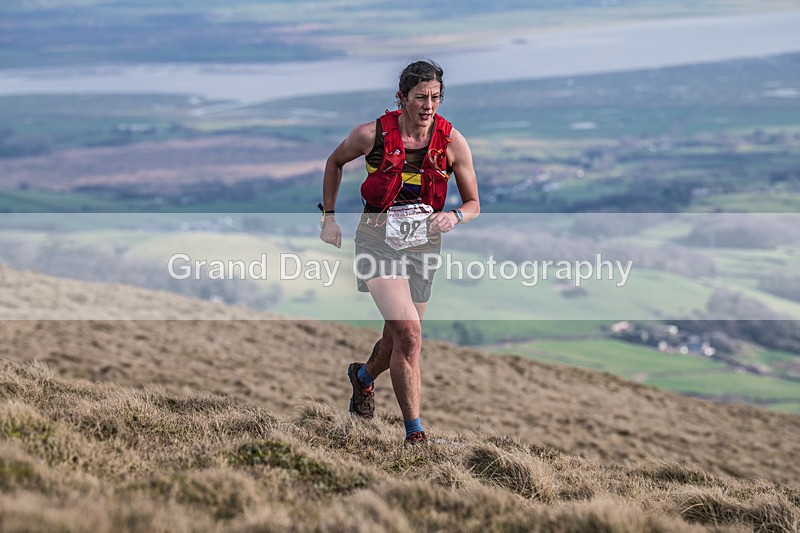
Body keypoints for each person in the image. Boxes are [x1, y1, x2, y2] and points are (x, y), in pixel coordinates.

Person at [319, 59, 479, 446]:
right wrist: (329, 218)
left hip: (423, 246)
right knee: (409, 335)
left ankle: (362, 378)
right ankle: (415, 435)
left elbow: (474, 202)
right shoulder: (370, 134)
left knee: (396, 340)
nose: (429, 105)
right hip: (377, 240)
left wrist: (455, 217)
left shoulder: (452, 141)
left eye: (436, 97)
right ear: (402, 98)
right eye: (421, 97)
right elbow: (334, 163)